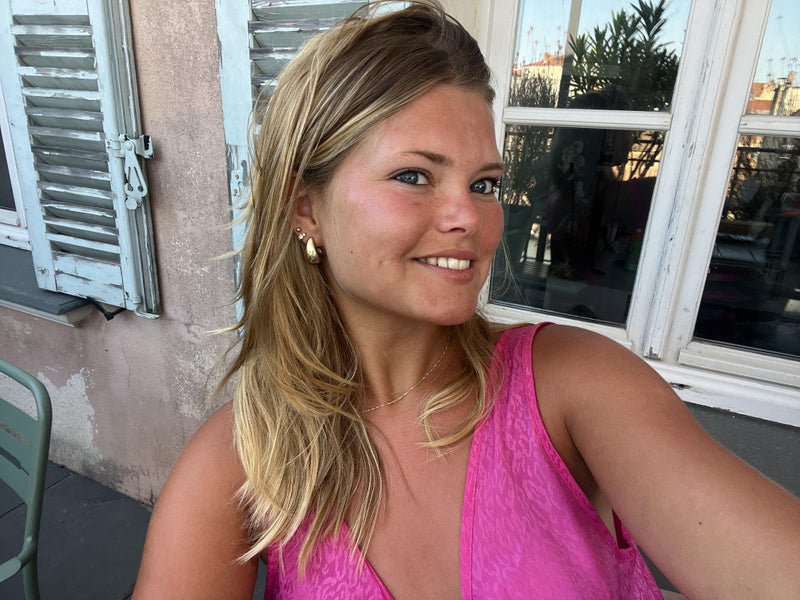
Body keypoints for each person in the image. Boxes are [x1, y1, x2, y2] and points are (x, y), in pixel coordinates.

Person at [133, 2, 800, 598]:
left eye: (484, 184)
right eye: (413, 175)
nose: (469, 217)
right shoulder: (245, 456)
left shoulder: (571, 386)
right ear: (306, 209)